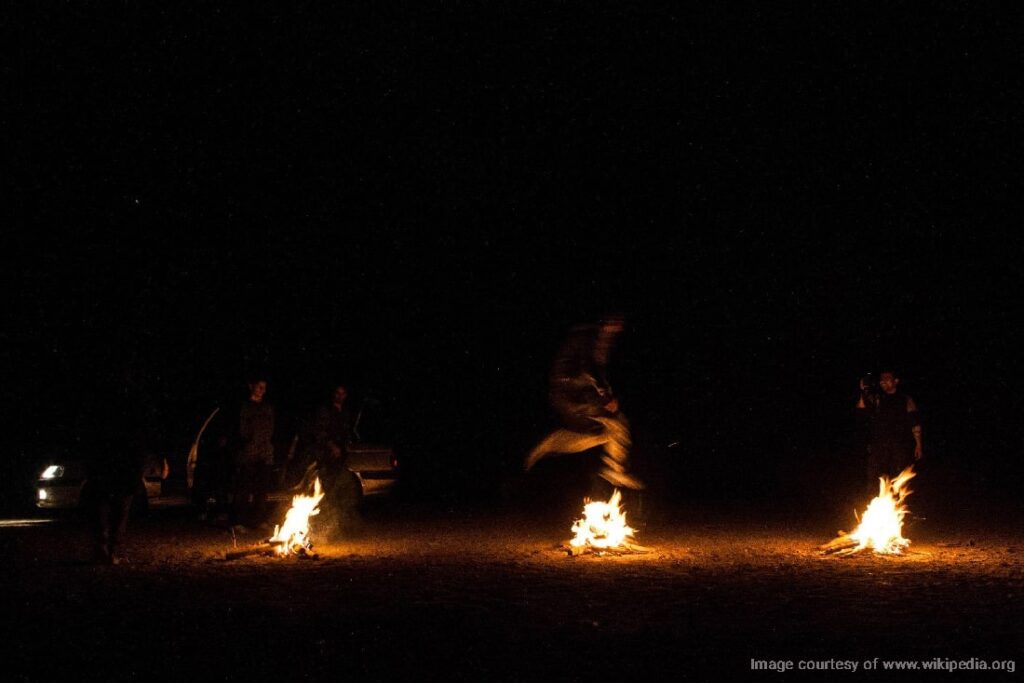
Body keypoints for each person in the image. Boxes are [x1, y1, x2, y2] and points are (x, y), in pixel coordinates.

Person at [524, 314, 642, 497]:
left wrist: (604, 392)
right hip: (572, 394)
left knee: (600, 435)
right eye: (614, 323)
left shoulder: (594, 339)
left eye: (620, 325)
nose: (617, 329)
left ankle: (554, 442)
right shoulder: (588, 338)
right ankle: (616, 469)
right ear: (604, 322)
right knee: (617, 422)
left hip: (571, 395)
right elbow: (589, 369)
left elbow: (592, 370)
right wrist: (606, 396)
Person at [80, 369, 152, 565]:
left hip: (116, 460)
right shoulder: (129, 401)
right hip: (117, 460)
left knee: (111, 505)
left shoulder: (107, 401)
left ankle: (107, 548)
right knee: (115, 506)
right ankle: (108, 548)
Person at [857, 369, 923, 485]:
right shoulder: (877, 398)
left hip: (899, 446)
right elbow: (861, 409)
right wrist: (864, 391)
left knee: (897, 479)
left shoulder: (905, 399)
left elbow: (915, 422)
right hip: (878, 446)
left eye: (887, 379)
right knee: (874, 479)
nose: (883, 381)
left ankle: (897, 502)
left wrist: (918, 444)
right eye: (881, 379)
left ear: (896, 381)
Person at [228, 376, 276, 530]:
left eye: (264, 387)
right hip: (248, 454)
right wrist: (249, 444)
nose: (262, 390)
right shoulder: (245, 406)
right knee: (243, 489)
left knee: (261, 491)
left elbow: (271, 429)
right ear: (251, 386)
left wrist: (267, 448)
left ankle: (257, 521)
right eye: (259, 386)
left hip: (264, 453)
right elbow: (242, 430)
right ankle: (237, 522)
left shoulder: (267, 407)